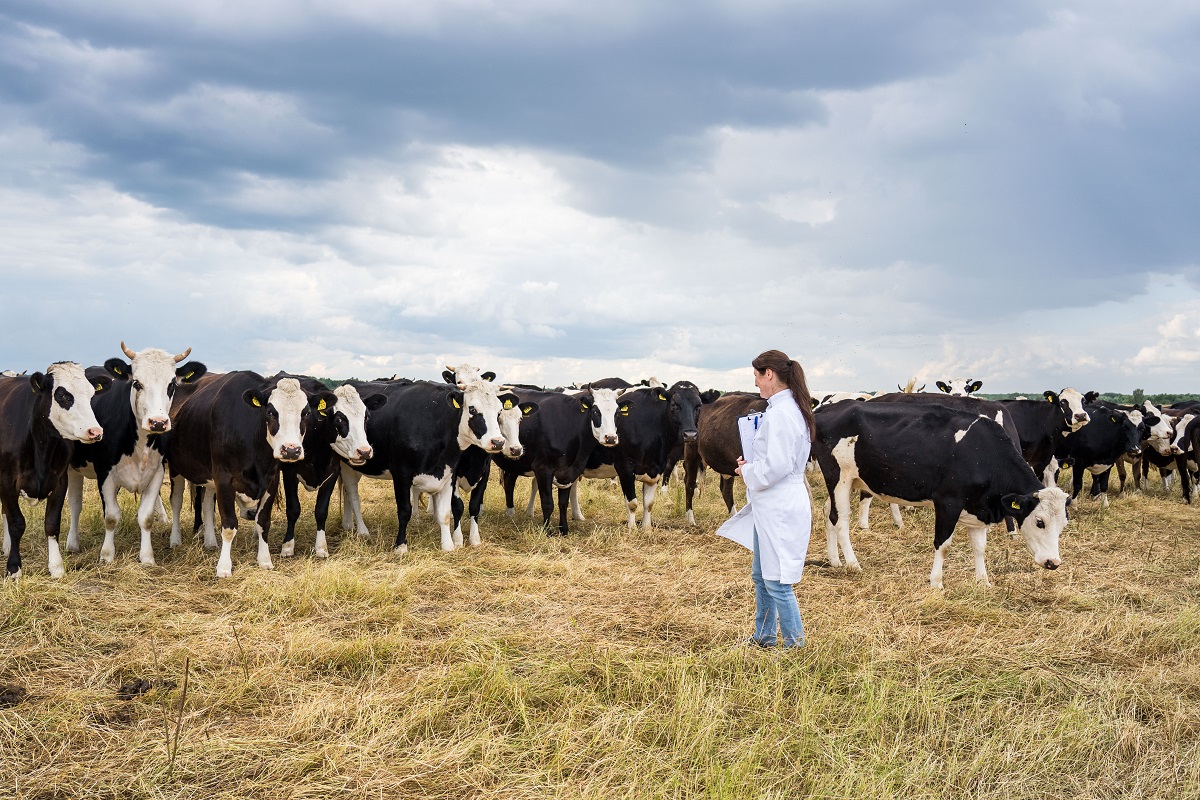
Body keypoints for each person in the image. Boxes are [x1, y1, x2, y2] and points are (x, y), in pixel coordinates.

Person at [717, 349, 816, 649]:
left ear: (769, 374)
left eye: (757, 377)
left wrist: (748, 470)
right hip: (770, 503)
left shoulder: (783, 414)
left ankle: (796, 646)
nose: (757, 384)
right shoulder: (782, 409)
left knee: (777, 580)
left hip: (780, 503)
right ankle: (764, 635)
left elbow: (776, 466)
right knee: (762, 575)